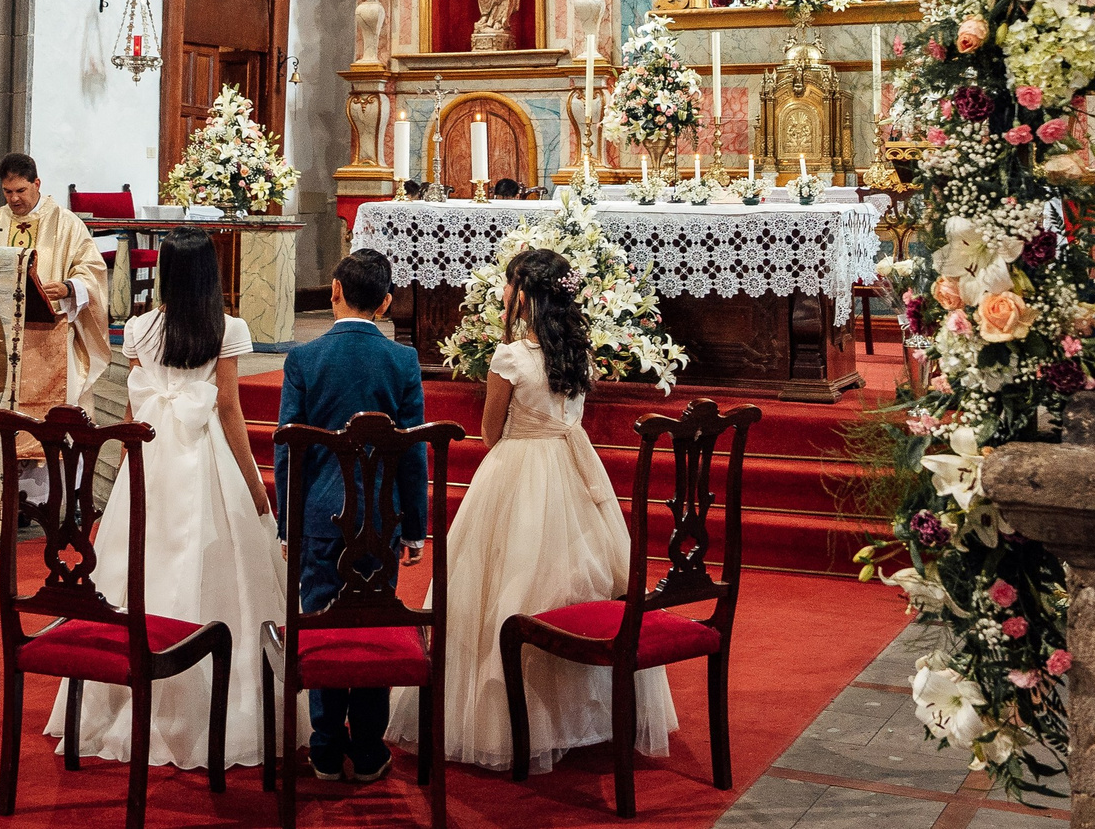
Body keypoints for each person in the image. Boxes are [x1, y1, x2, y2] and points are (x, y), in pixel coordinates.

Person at [391, 248, 675, 769]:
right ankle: (584, 715)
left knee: (505, 584)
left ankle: (508, 723)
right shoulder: (576, 351)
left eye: (507, 285)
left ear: (523, 295)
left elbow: (489, 431)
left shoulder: (511, 358)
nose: (502, 294)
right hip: (575, 470)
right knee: (577, 580)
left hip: (517, 469)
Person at [48, 229, 281, 769]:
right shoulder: (228, 327)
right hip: (206, 459)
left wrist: (123, 473)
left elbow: (133, 412)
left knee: (138, 563)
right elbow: (229, 412)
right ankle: (216, 705)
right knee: (216, 565)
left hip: (148, 458)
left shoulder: (138, 327)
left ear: (167, 273)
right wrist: (256, 488)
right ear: (210, 274)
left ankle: (125, 699)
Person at [275, 249, 428, 784]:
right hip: (379, 521)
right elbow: (413, 451)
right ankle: (366, 748)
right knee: (372, 625)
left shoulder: (303, 359)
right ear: (387, 303)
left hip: (318, 517)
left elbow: (287, 449)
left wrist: (286, 523)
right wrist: (415, 526)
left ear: (334, 291)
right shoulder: (403, 362)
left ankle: (323, 747)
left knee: (321, 625)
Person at [0, 152, 109, 506]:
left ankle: (64, 499)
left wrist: (67, 287)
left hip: (54, 340)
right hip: (3, 344)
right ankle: (9, 502)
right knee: (7, 418)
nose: (14, 199)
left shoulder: (67, 224)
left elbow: (92, 271)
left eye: (20, 190)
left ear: (37, 184)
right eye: (7, 192)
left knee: (63, 416)